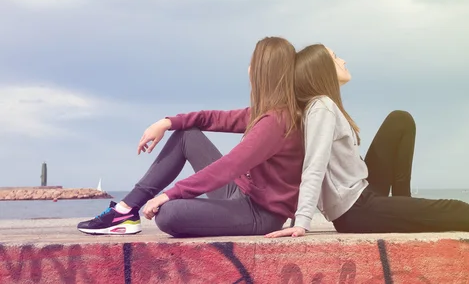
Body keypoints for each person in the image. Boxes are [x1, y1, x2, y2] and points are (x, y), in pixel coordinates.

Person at [266, 44, 469, 238]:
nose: (343, 61)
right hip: (357, 210)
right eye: (336, 57)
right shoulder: (321, 107)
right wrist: (302, 222)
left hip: (363, 195)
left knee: (400, 120)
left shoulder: (322, 106)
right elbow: (314, 164)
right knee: (452, 209)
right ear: (322, 69)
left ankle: (406, 207)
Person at [77, 37, 304, 237]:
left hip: (259, 213)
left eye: (252, 63)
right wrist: (168, 122)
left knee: (167, 214)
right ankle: (125, 210)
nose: (248, 69)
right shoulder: (266, 113)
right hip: (239, 192)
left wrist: (169, 195)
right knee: (186, 134)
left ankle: (130, 211)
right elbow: (213, 118)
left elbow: (230, 166)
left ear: (263, 71)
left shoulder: (276, 122)